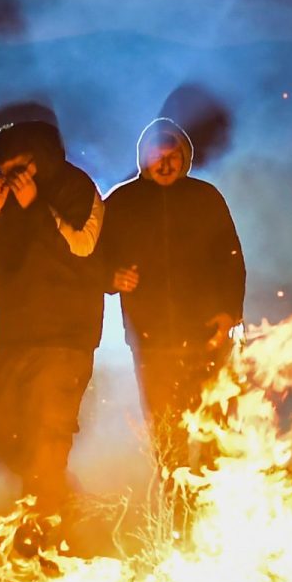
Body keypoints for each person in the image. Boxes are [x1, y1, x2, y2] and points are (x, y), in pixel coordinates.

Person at [0, 111, 105, 527]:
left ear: (42, 159)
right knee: (2, 439)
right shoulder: (6, 199)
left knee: (48, 439)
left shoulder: (76, 188)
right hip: (10, 338)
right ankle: (57, 503)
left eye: (20, 168)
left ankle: (47, 537)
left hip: (65, 340)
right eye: (3, 171)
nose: (12, 178)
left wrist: (36, 208)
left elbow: (79, 249)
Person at [98, 111, 246, 466]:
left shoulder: (205, 197)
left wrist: (230, 312)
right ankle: (176, 508)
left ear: (185, 158)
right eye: (157, 156)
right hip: (151, 342)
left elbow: (231, 259)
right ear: (144, 159)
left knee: (215, 427)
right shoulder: (120, 203)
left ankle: (216, 503)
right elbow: (93, 255)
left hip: (208, 336)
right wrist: (110, 277)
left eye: (173, 155)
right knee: (167, 432)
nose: (165, 163)